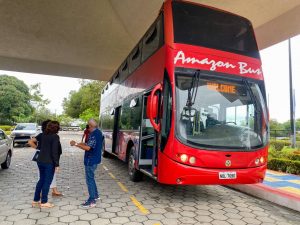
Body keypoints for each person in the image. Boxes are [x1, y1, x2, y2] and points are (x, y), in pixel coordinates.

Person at [70, 118, 103, 208]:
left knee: (89, 180)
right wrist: (81, 143)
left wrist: (76, 144)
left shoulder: (93, 134)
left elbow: (88, 148)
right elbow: (90, 144)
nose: (87, 127)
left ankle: (92, 200)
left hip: (90, 160)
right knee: (91, 178)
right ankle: (96, 195)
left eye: (88, 125)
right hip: (95, 159)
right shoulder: (99, 132)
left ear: (91, 126)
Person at [28, 120, 63, 197]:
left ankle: (36, 199)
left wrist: (39, 149)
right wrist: (57, 164)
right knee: (46, 180)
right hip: (49, 160)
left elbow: (30, 142)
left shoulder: (43, 135)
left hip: (42, 160)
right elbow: (54, 151)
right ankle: (44, 200)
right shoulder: (53, 136)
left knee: (43, 178)